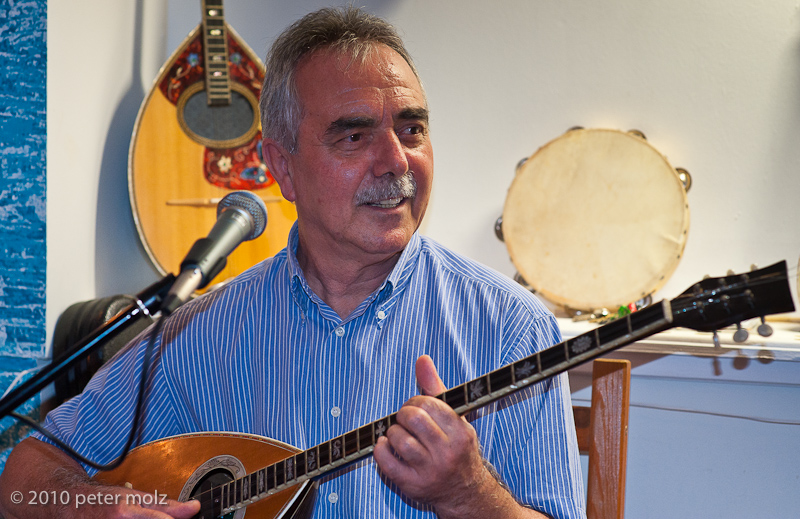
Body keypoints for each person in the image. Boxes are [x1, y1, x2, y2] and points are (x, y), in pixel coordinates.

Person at [0, 7, 585, 519]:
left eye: (412, 129)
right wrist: (95, 507)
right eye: (353, 138)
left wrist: (467, 494)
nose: (395, 161)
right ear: (281, 167)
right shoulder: (197, 333)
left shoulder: (512, 327)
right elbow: (25, 478)